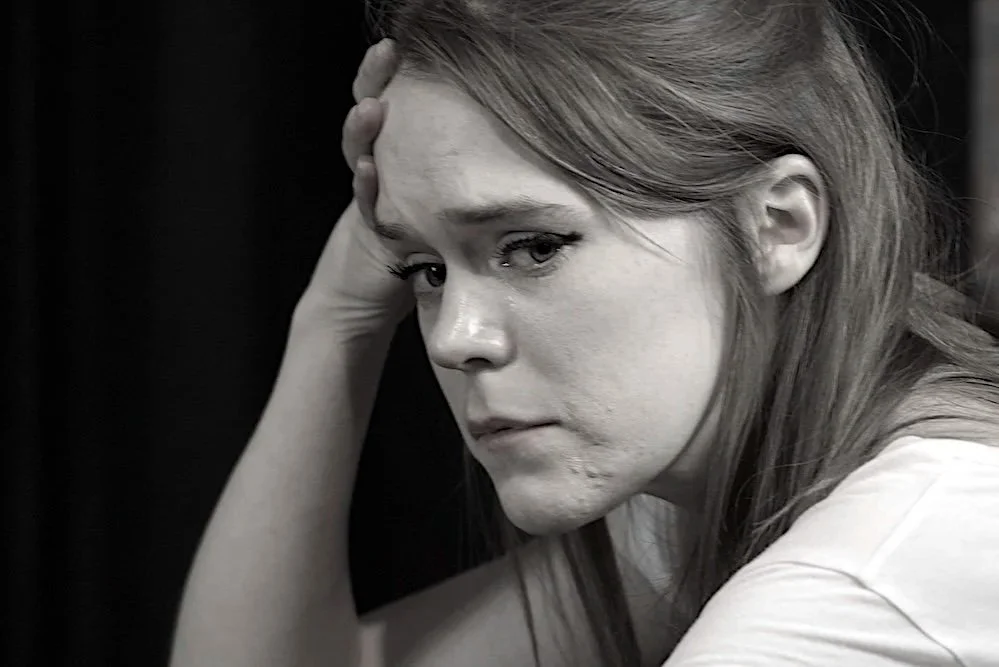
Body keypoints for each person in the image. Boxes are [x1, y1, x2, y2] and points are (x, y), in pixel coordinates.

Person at [169, 1, 999, 665]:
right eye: (426, 270)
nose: (454, 338)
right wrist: (338, 314)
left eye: (532, 246)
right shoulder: (712, 501)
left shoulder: (853, 590)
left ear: (773, 226)